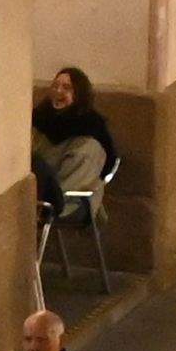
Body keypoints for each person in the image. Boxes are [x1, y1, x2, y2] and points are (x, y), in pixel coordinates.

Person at [31, 64, 122, 234]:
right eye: (55, 86)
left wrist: (42, 199)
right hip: (42, 198)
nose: (58, 91)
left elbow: (74, 182)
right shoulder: (40, 121)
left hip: (71, 203)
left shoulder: (90, 136)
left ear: (78, 95)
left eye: (66, 88)